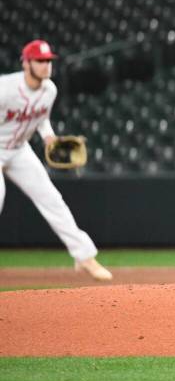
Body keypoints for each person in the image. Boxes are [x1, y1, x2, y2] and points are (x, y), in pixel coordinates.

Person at [0, 40, 112, 281]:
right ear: (26, 62)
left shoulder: (50, 90)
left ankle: (84, 257)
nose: (46, 65)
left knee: (52, 199)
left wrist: (48, 136)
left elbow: (40, 118)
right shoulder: (6, 88)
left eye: (49, 60)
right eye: (40, 61)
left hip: (19, 150)